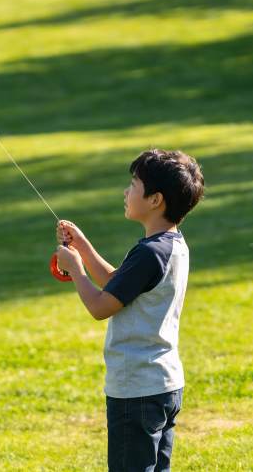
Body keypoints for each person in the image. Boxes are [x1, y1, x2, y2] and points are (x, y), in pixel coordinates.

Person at [55, 149, 204, 471]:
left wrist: (76, 270)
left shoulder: (149, 253)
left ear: (155, 200)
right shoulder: (170, 244)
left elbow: (100, 306)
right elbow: (118, 284)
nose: (126, 191)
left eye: (134, 185)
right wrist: (83, 247)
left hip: (136, 389)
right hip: (163, 383)